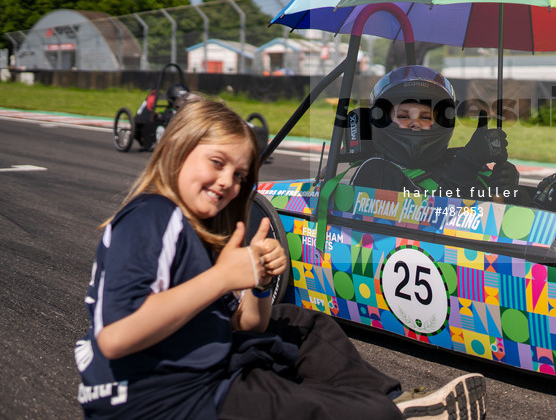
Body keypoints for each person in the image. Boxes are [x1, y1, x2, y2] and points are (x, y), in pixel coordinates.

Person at [75, 97, 486, 419]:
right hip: (160, 398)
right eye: (217, 163)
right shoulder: (153, 215)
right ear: (177, 150)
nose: (227, 183)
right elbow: (114, 337)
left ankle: (396, 403)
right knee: (338, 411)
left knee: (301, 323)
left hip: (188, 374)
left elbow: (252, 323)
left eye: (239, 176)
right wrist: (221, 278)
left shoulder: (196, 226)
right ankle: (391, 414)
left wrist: (260, 278)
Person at [350, 65, 525, 203]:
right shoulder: (376, 172)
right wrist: (467, 164)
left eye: (425, 116)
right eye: (403, 115)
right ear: (383, 119)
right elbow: (429, 224)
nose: (415, 123)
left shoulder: (453, 164)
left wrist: (508, 190)